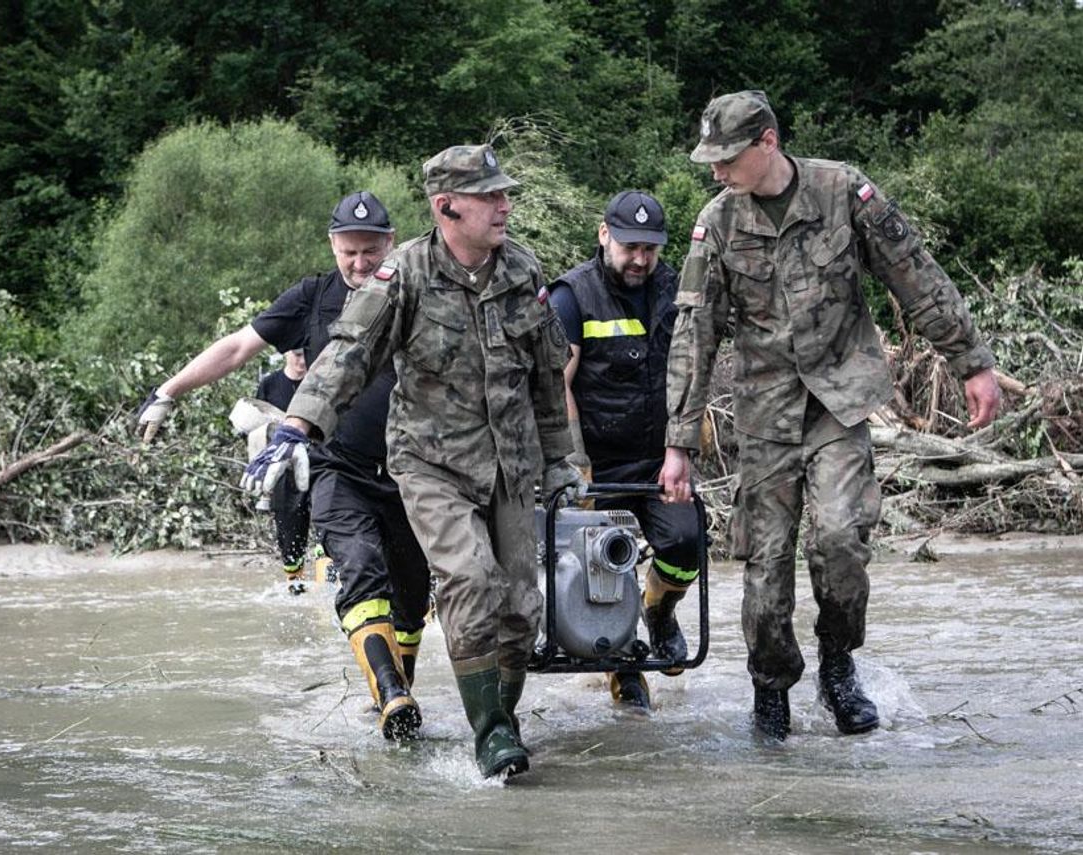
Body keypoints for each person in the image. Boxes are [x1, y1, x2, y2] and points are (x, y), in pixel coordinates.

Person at [659, 90, 1001, 741]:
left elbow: (915, 275)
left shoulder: (844, 193)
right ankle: (771, 685)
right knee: (764, 568)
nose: (716, 171)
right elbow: (693, 334)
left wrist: (972, 361)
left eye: (727, 157)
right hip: (765, 416)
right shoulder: (720, 220)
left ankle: (838, 662)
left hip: (839, 404)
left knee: (841, 537)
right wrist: (680, 441)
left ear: (768, 142)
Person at [241, 144, 581, 778]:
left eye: (504, 194)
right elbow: (348, 353)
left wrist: (562, 460)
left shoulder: (523, 271)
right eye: (490, 196)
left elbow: (545, 375)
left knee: (520, 607)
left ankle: (500, 719)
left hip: (510, 463)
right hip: (430, 463)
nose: (504, 205)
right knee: (469, 579)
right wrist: (296, 423)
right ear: (446, 206)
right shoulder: (405, 275)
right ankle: (492, 735)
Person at [135, 192, 433, 741]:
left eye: (371, 251)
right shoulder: (312, 298)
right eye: (350, 252)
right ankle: (391, 693)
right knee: (362, 570)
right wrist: (168, 390)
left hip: (413, 470)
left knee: (413, 599)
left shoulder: (414, 290)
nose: (361, 264)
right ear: (333, 246)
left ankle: (395, 696)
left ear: (391, 244)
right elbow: (236, 348)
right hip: (337, 466)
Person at [549, 190, 701, 713]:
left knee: (686, 547)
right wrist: (575, 466)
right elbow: (556, 384)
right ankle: (624, 667)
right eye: (630, 247)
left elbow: (690, 372)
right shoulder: (572, 296)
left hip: (660, 456)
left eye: (650, 249)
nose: (640, 259)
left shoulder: (676, 290)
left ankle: (658, 611)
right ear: (604, 235)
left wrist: (680, 448)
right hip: (596, 461)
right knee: (600, 566)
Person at [253, 348, 312, 593]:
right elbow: (255, 424)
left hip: (319, 464)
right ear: (286, 353)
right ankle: (295, 589)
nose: (302, 361)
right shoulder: (270, 384)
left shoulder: (318, 381)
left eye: (306, 355)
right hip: (283, 472)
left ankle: (334, 588)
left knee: (329, 527)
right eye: (297, 355)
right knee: (289, 535)